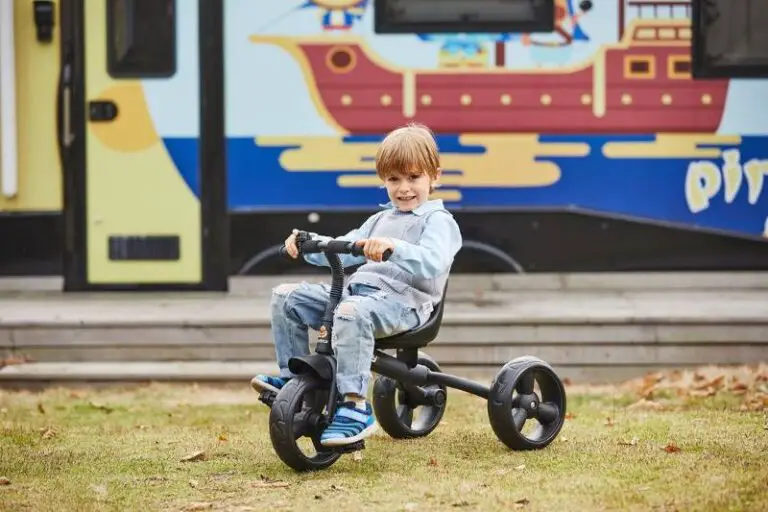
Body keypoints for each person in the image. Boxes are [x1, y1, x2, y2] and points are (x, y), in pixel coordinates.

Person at [250, 122, 463, 447]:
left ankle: (354, 406)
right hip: (358, 298)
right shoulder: (380, 219)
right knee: (285, 297)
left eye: (413, 177)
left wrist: (393, 247)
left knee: (350, 312)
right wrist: (309, 243)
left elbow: (433, 260)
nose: (404, 188)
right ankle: (292, 380)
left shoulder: (439, 222)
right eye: (394, 179)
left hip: (404, 307)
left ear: (435, 176)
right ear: (384, 181)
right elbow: (345, 248)